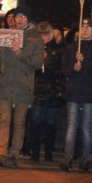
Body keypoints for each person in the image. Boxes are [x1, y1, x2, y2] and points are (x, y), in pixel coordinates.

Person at [0, 5, 44, 168]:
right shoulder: (7, 35)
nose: (19, 19)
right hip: (6, 83)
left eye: (23, 16)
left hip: (23, 85)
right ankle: (2, 153)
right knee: (4, 119)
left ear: (28, 19)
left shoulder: (36, 38)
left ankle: (14, 153)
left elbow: (37, 63)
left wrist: (20, 53)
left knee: (19, 122)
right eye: (17, 17)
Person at [59, 18, 92, 173]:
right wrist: (73, 68)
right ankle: (68, 158)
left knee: (86, 127)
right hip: (73, 91)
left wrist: (85, 62)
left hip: (89, 92)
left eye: (88, 27)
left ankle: (85, 159)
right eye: (82, 27)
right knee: (71, 126)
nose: (85, 30)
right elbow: (64, 70)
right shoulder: (72, 47)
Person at [31, 21, 65, 163]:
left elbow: (59, 69)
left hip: (53, 90)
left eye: (46, 34)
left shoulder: (57, 49)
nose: (44, 37)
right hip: (38, 90)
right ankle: (35, 154)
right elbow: (31, 68)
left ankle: (48, 153)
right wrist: (39, 60)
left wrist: (47, 60)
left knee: (51, 124)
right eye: (41, 34)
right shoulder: (34, 49)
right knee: (36, 123)